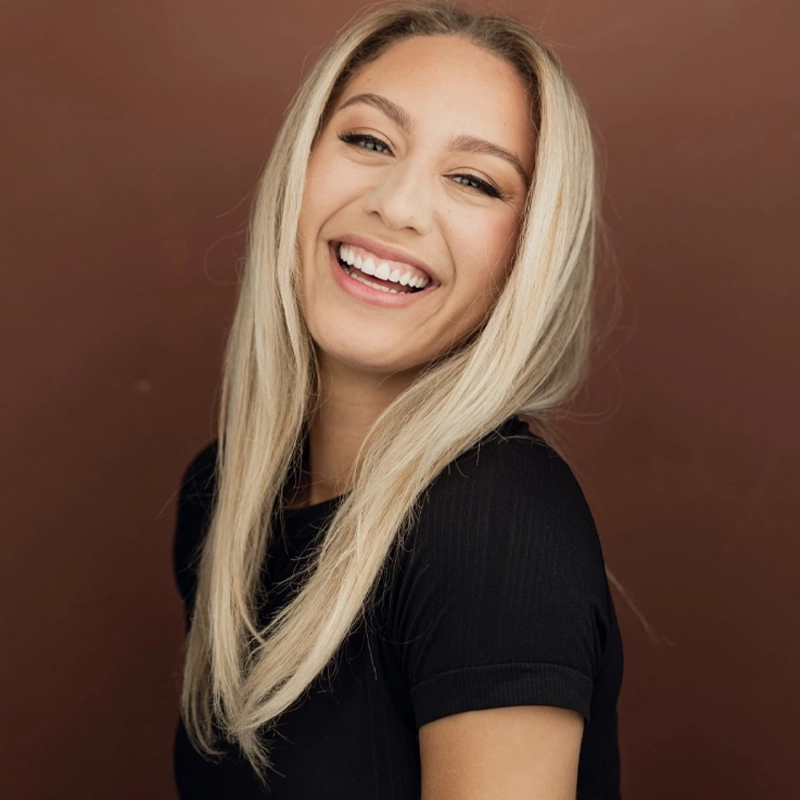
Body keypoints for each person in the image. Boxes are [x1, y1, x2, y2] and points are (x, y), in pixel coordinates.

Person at [173, 2, 623, 798]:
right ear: (300, 165)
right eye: (368, 140)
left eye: (475, 180)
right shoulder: (226, 494)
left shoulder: (493, 524)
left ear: (529, 250)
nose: (398, 205)